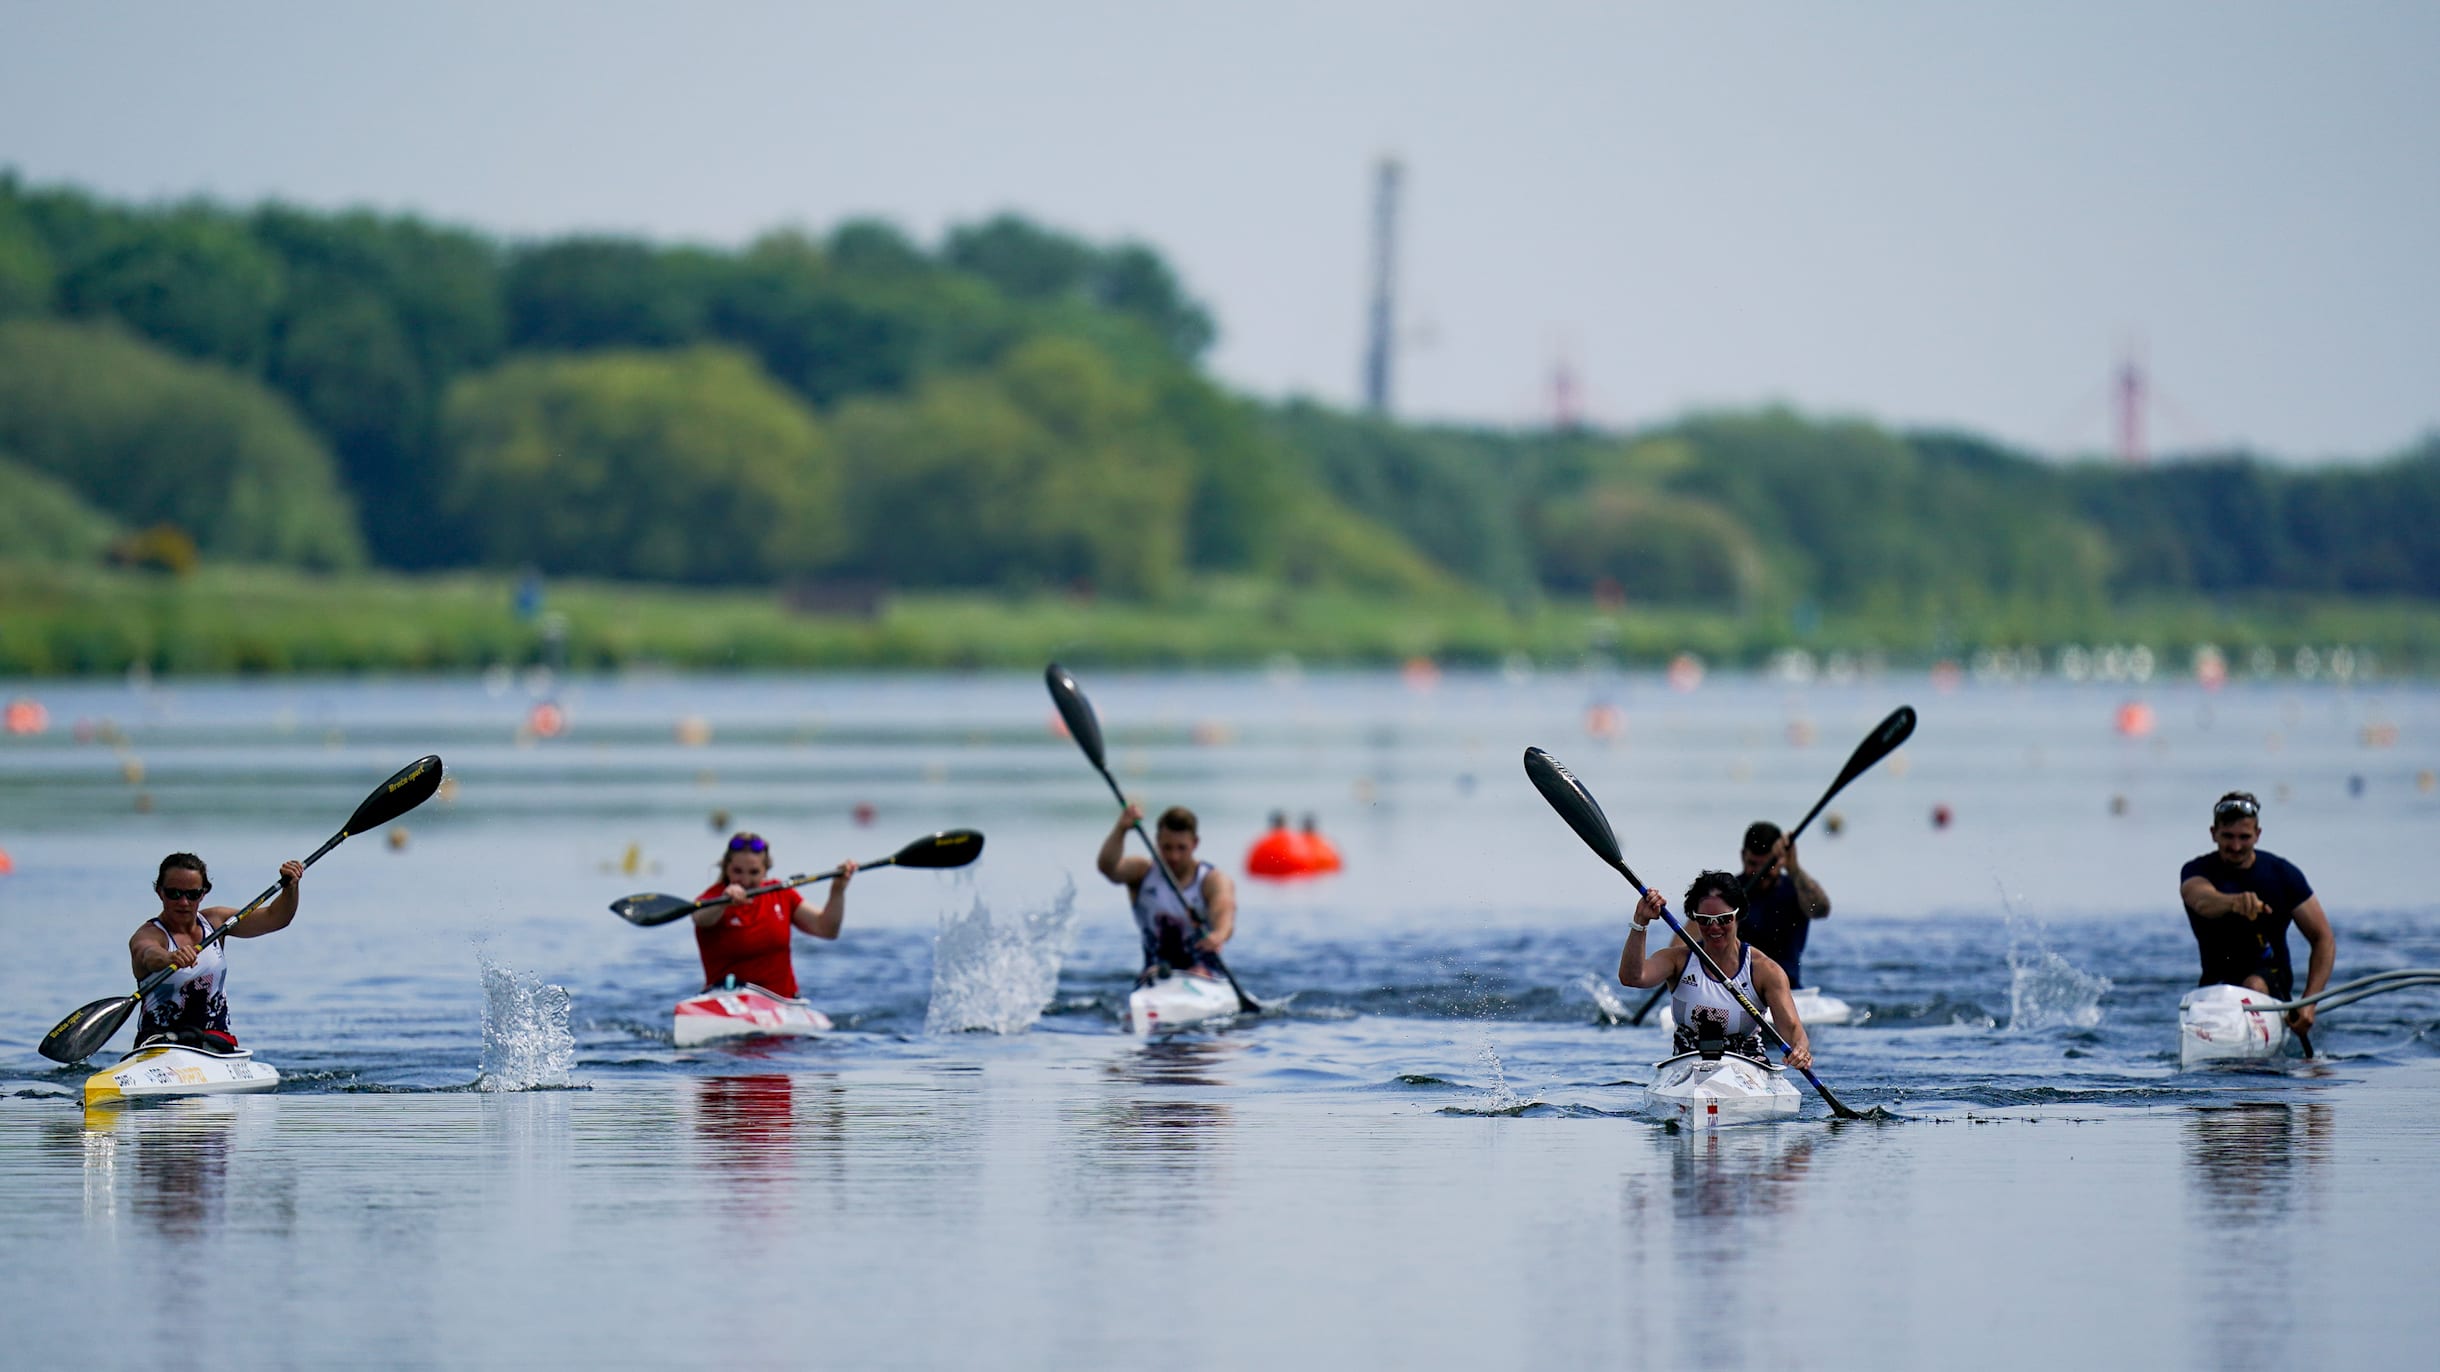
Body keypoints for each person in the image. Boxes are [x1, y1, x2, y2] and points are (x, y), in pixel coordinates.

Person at [1617, 870, 1812, 1070]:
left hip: (1748, 1072)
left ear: (1738, 915)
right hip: (1686, 1072)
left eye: (1724, 919)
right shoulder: (1677, 960)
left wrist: (1800, 1051)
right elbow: (1631, 977)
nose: (1714, 927)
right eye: (1704, 920)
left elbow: (1793, 1031)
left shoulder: (1764, 971)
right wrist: (1641, 922)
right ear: (1695, 919)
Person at [2179, 791, 2335, 1034]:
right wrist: (2234, 902)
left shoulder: (2283, 875)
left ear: (2258, 835)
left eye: (2244, 837)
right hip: (2216, 986)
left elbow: (2323, 938)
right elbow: (2200, 900)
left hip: (2271, 985)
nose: (2236, 846)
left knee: (2254, 983)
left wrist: (2309, 1004)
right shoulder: (2196, 871)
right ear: (2213, 834)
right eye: (2228, 836)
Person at [128, 852, 305, 1050]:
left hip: (213, 1044)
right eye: (174, 894)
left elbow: (276, 918)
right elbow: (148, 954)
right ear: (160, 892)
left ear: (203, 893)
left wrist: (291, 887)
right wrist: (170, 957)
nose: (184, 902)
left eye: (192, 894)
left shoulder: (216, 922)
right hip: (160, 1044)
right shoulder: (149, 935)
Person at [692, 832, 855, 999]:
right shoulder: (713, 898)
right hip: (725, 998)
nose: (745, 880)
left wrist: (838, 890)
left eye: (754, 872)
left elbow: (827, 929)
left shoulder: (781, 893)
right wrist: (723, 903)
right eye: (737, 871)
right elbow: (700, 918)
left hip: (782, 1002)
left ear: (765, 871)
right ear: (727, 868)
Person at [1099, 803, 1237, 985]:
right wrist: (1121, 829)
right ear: (1156, 841)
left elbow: (1224, 908)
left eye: (1181, 848)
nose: (1174, 857)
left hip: (1204, 975)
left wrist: (1219, 934)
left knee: (1199, 970)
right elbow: (1108, 868)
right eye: (1167, 847)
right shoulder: (1141, 873)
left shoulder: (1212, 880)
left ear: (1195, 844)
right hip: (1155, 975)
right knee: (1153, 974)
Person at [1735, 820, 1831, 989]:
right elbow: (1683, 944)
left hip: (1787, 989)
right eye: (1753, 864)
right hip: (1736, 990)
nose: (1760, 873)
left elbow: (1821, 911)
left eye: (1768, 865)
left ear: (1782, 860)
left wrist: (1793, 868)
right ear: (1743, 856)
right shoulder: (1726, 893)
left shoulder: (1797, 890)